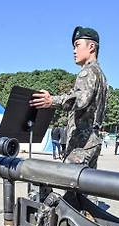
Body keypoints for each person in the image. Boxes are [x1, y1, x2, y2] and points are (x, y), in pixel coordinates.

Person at [30, 26, 108, 168]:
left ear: (91, 47)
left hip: (82, 143)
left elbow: (80, 100)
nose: (74, 51)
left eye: (77, 45)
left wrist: (51, 100)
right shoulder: (100, 75)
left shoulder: (88, 72)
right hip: (92, 141)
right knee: (83, 188)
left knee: (67, 179)